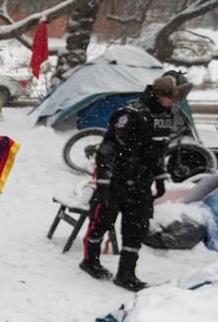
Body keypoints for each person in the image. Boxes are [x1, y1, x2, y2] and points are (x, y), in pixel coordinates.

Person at [80, 70, 191, 290]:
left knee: (136, 227)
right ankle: (90, 261)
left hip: (141, 181)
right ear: (162, 92)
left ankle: (126, 273)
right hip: (117, 179)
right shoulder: (131, 113)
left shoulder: (166, 116)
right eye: (173, 97)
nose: (175, 102)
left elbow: (158, 151)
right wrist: (103, 183)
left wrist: (159, 178)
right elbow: (107, 149)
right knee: (102, 221)